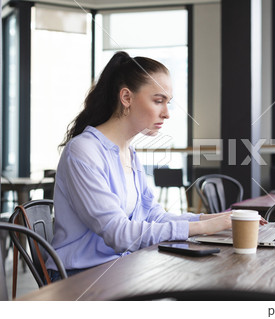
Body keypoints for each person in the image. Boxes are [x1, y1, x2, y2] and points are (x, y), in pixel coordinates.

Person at [46, 51, 233, 281]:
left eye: (168, 103)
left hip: (120, 267)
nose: (166, 114)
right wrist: (203, 228)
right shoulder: (83, 150)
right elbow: (118, 233)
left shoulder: (129, 153)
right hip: (80, 277)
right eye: (158, 101)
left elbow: (153, 214)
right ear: (126, 97)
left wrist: (213, 220)